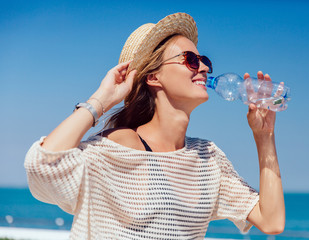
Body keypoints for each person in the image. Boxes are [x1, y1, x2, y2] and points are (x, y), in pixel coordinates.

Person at [25, 12, 285, 239]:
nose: (204, 67)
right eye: (190, 60)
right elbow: (42, 167)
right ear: (153, 77)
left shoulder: (208, 159)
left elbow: (271, 220)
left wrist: (264, 136)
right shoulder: (123, 146)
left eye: (204, 59)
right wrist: (100, 101)